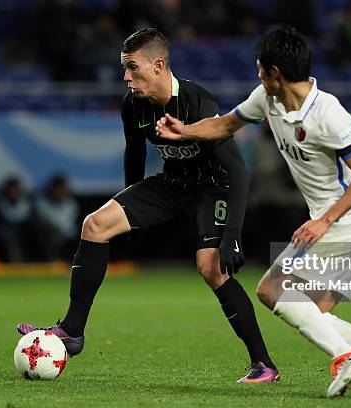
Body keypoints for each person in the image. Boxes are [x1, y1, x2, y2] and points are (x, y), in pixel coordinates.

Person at [156, 25, 351, 399]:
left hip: (346, 224)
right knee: (312, 313)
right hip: (329, 226)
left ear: (275, 72)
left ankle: (346, 357)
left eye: (260, 69)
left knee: (271, 290)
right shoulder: (267, 99)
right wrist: (186, 131)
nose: (258, 75)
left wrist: (325, 220)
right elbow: (227, 124)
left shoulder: (328, 113)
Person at [18, 28, 279, 383]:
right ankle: (72, 331)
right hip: (172, 184)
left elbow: (237, 169)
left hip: (214, 188)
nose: (126, 77)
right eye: (124, 68)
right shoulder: (133, 106)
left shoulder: (196, 102)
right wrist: (127, 207)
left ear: (158, 65)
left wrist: (232, 234)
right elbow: (135, 153)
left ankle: (264, 365)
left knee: (211, 268)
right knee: (96, 224)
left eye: (133, 68)